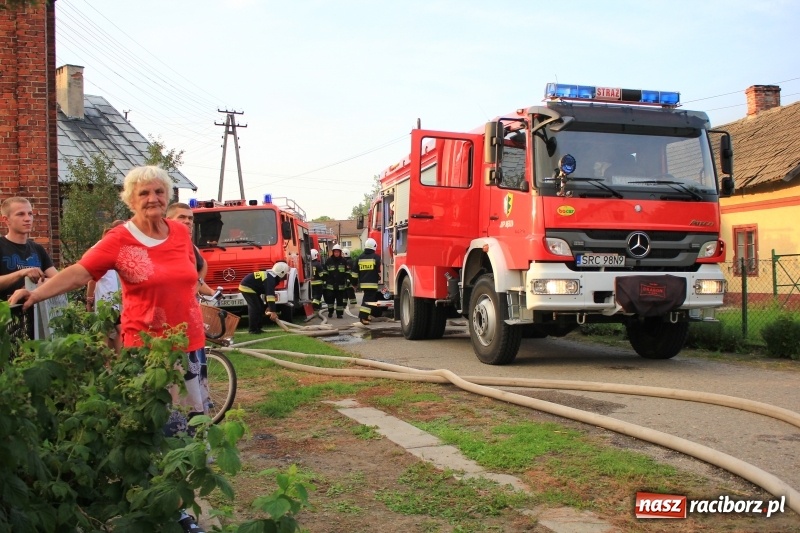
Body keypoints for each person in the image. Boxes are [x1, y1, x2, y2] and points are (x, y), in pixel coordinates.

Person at [9, 166, 208, 533]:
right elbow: (80, 272)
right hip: (148, 353)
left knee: (189, 432)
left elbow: (193, 275)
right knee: (155, 432)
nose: (153, 199)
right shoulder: (120, 239)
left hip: (191, 346)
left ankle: (181, 504)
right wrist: (35, 294)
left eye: (159, 192)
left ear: (167, 196)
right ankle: (166, 511)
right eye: (144, 193)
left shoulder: (180, 232)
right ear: (130, 199)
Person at [0, 196, 59, 340]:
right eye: (20, 214)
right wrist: (22, 273)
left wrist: (36, 287)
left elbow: (57, 280)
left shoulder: (37, 249)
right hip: (6, 322)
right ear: (5, 220)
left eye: (30, 214)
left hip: (35, 322)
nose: (27, 218)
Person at [85, 220, 126, 352]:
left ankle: (115, 362)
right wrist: (89, 300)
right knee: (108, 333)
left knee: (115, 332)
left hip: (113, 302)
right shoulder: (99, 250)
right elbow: (91, 279)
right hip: (106, 303)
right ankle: (109, 364)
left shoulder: (115, 250)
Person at [166, 202, 216, 298]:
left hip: (189, 303)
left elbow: (195, 278)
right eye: (182, 217)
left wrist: (211, 292)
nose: (187, 221)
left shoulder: (192, 247)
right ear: (169, 220)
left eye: (190, 218)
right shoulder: (163, 244)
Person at [238, 261, 290, 333]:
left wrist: (269, 307)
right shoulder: (271, 279)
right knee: (255, 307)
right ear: (282, 273)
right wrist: (273, 311)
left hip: (250, 287)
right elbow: (270, 295)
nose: (286, 276)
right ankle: (253, 330)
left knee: (260, 306)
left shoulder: (271, 276)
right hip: (247, 287)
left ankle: (258, 328)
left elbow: (267, 293)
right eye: (286, 273)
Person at [357, 238, 381, 326]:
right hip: (372, 284)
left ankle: (366, 316)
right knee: (368, 300)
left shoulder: (359, 258)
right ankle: (363, 317)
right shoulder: (376, 257)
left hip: (363, 283)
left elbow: (355, 272)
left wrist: (354, 283)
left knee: (367, 299)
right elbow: (379, 270)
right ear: (374, 246)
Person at [323, 244, 348, 319]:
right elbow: (325, 272)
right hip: (330, 285)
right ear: (333, 252)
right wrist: (324, 281)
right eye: (335, 252)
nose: (336, 253)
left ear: (340, 252)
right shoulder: (329, 261)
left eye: (338, 252)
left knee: (340, 300)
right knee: (330, 299)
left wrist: (348, 280)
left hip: (340, 285)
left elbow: (347, 272)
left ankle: (339, 314)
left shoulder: (343, 261)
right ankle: (330, 311)